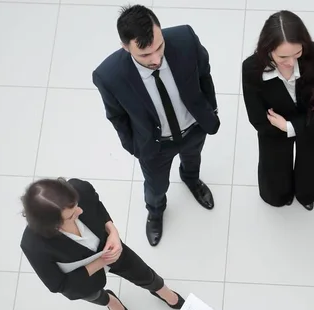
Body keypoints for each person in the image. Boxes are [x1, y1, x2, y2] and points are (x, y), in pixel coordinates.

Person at [93, 5, 220, 246]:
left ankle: (192, 180)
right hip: (154, 144)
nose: (156, 59)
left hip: (193, 127)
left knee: (193, 158)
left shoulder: (185, 39)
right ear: (125, 47)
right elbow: (117, 116)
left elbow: (204, 74)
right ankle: (156, 210)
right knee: (156, 185)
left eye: (159, 47)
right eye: (144, 55)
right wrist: (134, 147)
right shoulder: (108, 75)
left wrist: (209, 110)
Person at [20, 178, 184, 310]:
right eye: (71, 216)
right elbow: (59, 285)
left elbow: (97, 206)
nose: (80, 212)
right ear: (53, 225)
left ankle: (161, 290)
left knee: (142, 272)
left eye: (77, 205)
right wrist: (101, 262)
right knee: (95, 295)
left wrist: (113, 232)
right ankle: (111, 302)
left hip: (108, 246)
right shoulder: (34, 245)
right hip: (82, 277)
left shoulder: (79, 189)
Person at [242, 10, 314, 211]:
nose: (291, 62)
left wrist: (289, 126)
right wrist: (312, 113)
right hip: (276, 130)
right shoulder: (251, 69)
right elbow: (258, 120)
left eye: (297, 53)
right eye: (283, 57)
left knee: (313, 163)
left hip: (308, 127)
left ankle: (308, 193)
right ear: (267, 49)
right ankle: (279, 195)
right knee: (275, 167)